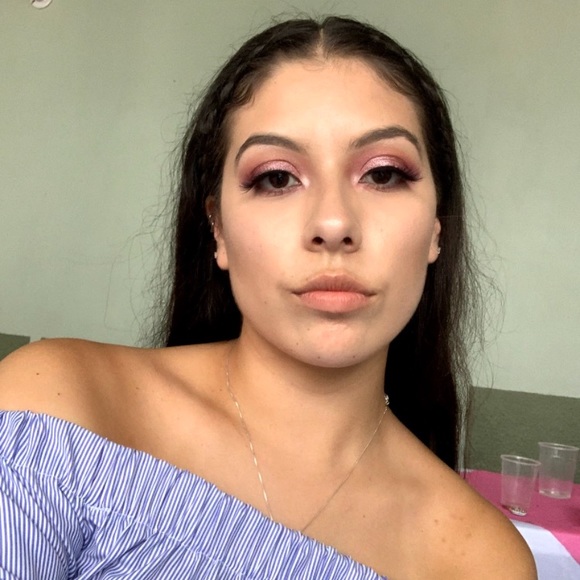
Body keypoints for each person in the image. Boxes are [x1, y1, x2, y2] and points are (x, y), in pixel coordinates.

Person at [0, 15, 535, 579]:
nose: (333, 223)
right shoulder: (60, 406)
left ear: (435, 230)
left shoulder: (482, 561)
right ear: (218, 230)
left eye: (382, 174)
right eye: (277, 178)